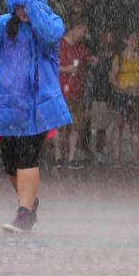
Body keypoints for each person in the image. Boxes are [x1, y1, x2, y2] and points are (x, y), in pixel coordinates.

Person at [0, 0, 70, 232]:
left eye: (27, 5)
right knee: (10, 163)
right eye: (19, 6)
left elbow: (49, 36)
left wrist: (33, 11)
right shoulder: (3, 24)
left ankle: (24, 213)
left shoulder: (50, 21)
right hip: (9, 107)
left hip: (38, 107)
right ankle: (29, 201)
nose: (22, 11)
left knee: (27, 157)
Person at [54, 19, 95, 170]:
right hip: (60, 91)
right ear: (76, 29)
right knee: (59, 126)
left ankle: (70, 158)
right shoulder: (58, 44)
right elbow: (49, 65)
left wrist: (92, 60)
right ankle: (58, 157)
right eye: (83, 31)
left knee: (75, 126)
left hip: (76, 92)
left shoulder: (81, 48)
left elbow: (91, 58)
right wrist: (65, 69)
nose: (84, 35)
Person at [109, 30, 139, 168]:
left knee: (136, 126)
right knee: (118, 124)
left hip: (137, 94)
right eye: (132, 39)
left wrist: (136, 86)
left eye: (136, 39)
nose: (134, 41)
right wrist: (122, 88)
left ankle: (136, 159)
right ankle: (116, 159)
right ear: (126, 41)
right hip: (120, 94)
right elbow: (112, 78)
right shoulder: (119, 57)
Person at [87, 30, 117, 164]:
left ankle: (101, 153)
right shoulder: (98, 57)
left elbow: (111, 76)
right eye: (106, 39)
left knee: (105, 127)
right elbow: (92, 78)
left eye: (110, 39)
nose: (107, 42)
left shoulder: (115, 58)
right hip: (98, 96)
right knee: (96, 127)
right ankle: (95, 153)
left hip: (108, 96)